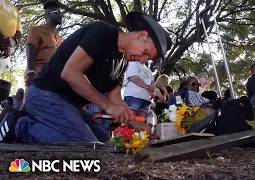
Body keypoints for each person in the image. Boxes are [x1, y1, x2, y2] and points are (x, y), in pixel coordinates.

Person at [0, 11, 172, 144]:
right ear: (142, 35)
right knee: (86, 146)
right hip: (44, 95)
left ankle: (41, 123)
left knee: (104, 142)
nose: (142, 60)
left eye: (147, 59)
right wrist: (107, 106)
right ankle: (20, 125)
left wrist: (134, 123)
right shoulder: (101, 32)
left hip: (71, 105)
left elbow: (115, 97)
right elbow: (71, 73)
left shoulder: (123, 63)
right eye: (146, 53)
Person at [25, 0, 64, 87]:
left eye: (61, 12)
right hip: (39, 75)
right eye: (57, 12)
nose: (61, 15)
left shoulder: (60, 39)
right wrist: (31, 72)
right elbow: (30, 52)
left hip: (55, 79)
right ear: (48, 14)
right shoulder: (37, 30)